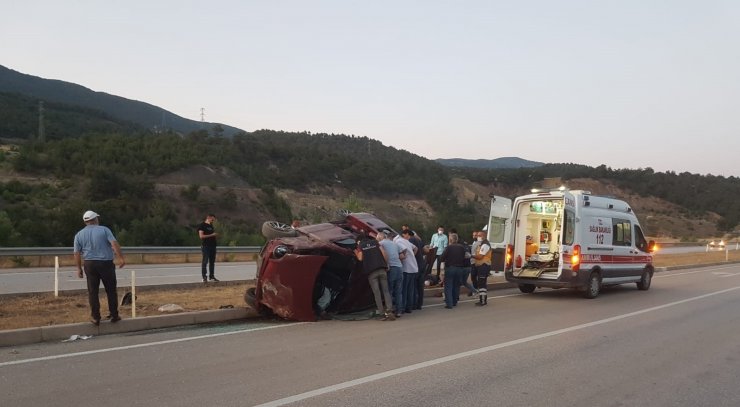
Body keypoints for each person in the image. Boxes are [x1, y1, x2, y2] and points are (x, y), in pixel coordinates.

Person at [74, 210, 126, 326]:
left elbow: (77, 253)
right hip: (105, 263)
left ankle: (95, 317)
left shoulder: (79, 234)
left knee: (93, 291)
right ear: (95, 219)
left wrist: (79, 268)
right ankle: (114, 315)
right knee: (111, 290)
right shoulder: (104, 230)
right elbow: (114, 243)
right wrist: (121, 258)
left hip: (89, 264)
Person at [355, 232, 395, 321]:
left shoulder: (360, 246)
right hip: (382, 269)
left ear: (358, 241)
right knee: (386, 291)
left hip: (372, 272)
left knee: (377, 293)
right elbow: (384, 253)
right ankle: (389, 310)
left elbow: (360, 258)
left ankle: (381, 314)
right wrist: (386, 264)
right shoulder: (375, 242)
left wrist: (356, 252)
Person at [377, 231, 404, 318]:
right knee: (398, 292)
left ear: (380, 238)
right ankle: (399, 311)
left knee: (389, 291)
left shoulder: (381, 243)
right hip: (400, 268)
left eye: (377, 238)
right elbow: (402, 255)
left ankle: (390, 310)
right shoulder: (395, 244)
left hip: (391, 268)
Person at [439, 233, 467, 309]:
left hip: (450, 268)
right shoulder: (462, 247)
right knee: (456, 286)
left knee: (448, 286)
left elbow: (442, 258)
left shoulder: (448, 247)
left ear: (450, 240)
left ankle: (449, 304)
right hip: (460, 268)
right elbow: (466, 256)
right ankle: (454, 301)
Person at [395, 230, 419, 314]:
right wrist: (412, 256)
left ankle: (403, 308)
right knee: (410, 289)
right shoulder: (406, 241)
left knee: (404, 289)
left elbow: (403, 249)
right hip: (413, 268)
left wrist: (403, 258)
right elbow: (416, 248)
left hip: (406, 268)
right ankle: (409, 307)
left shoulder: (398, 241)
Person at [472, 231, 493, 306]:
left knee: (482, 284)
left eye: (479, 235)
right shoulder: (481, 244)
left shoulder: (485, 245)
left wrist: (471, 256)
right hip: (481, 266)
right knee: (481, 283)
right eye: (477, 235)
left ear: (483, 236)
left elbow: (480, 256)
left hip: (484, 265)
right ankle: (482, 300)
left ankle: (483, 301)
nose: (478, 236)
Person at [198, 214, 219, 282]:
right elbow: (201, 236)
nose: (213, 221)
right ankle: (204, 277)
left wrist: (215, 236)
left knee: (212, 262)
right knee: (205, 261)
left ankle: (211, 276)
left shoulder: (211, 226)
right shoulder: (202, 225)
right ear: (208, 218)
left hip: (213, 246)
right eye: (212, 219)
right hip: (206, 246)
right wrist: (211, 235)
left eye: (213, 220)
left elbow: (212, 235)